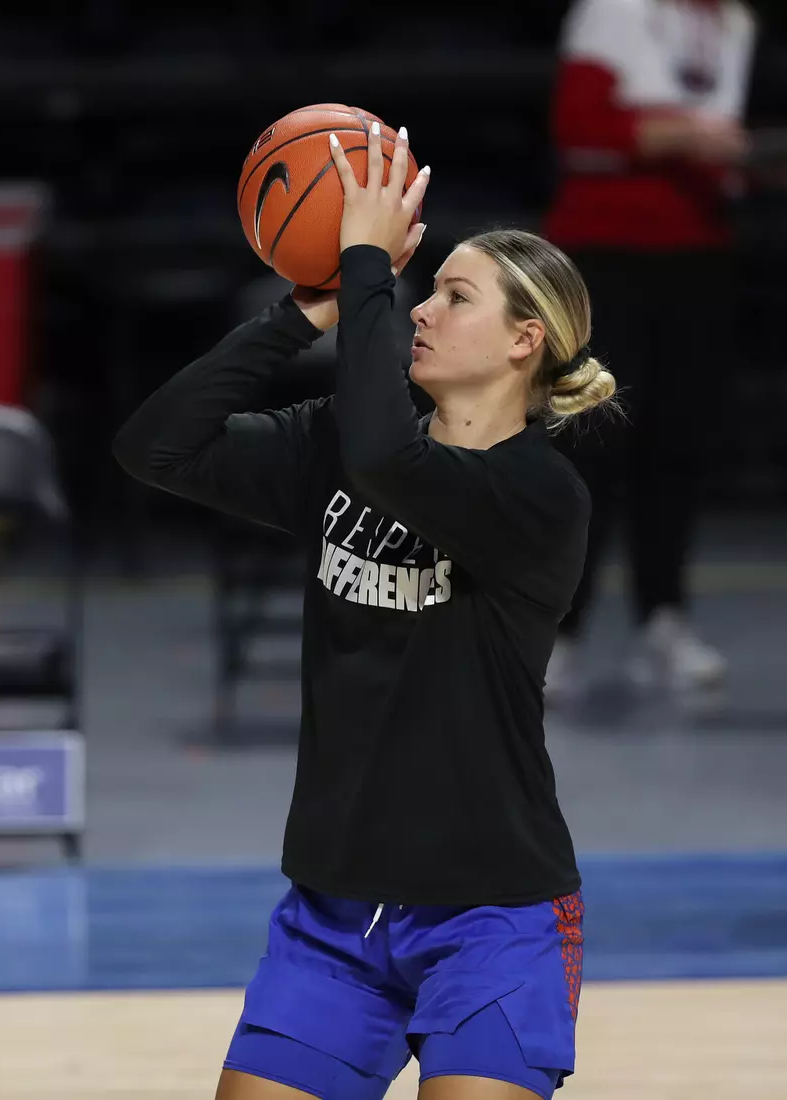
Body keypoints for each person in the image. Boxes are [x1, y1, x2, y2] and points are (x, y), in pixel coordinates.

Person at [114, 122, 616, 1099]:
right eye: (422, 290)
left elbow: (395, 460)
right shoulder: (341, 442)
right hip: (334, 911)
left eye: (453, 295)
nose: (422, 310)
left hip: (490, 911)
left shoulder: (539, 494)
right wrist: (298, 317)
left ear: (524, 340)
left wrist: (361, 266)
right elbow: (154, 448)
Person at [542, 0, 757, 700]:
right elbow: (578, 131)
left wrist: (744, 167)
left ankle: (663, 618)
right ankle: (553, 631)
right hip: (605, 252)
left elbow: (710, 149)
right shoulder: (612, 12)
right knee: (587, 446)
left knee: (678, 443)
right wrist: (686, 139)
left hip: (697, 251)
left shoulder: (734, 26)